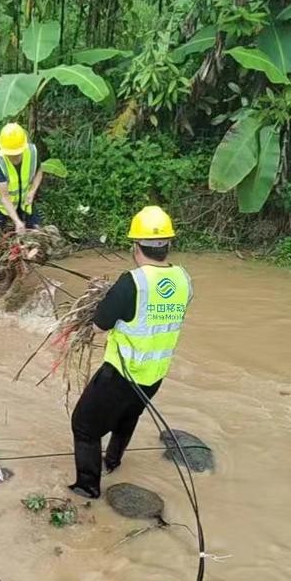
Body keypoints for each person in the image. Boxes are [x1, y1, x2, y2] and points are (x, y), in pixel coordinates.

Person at [69, 205, 193, 499]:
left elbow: (99, 325)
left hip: (121, 374)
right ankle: (112, 461)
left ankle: (87, 487)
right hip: (154, 375)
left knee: (84, 426)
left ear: (136, 246)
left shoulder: (132, 282)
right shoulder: (184, 280)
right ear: (168, 245)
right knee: (128, 417)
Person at [0, 122, 43, 234]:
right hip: (0, 206)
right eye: (10, 154)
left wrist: (32, 191)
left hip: (24, 202)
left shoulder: (32, 152)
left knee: (37, 235)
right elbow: (5, 197)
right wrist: (17, 221)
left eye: (17, 154)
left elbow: (39, 171)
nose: (14, 157)